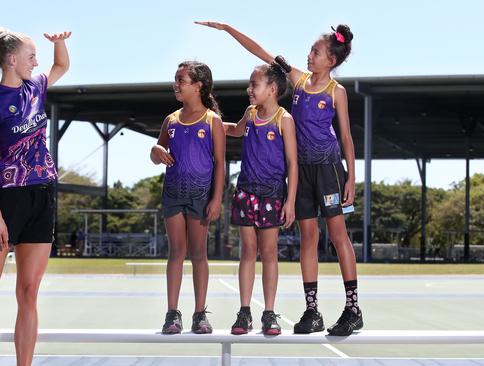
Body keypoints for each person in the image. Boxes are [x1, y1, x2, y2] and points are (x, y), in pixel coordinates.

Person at [196, 21, 362, 336]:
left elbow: (346, 137)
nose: (310, 55)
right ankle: (312, 310)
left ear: (332, 61)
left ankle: (353, 309)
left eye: (316, 52)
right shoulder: (297, 80)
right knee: (308, 239)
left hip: (328, 170)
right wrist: (229, 29)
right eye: (311, 51)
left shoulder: (336, 91)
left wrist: (351, 176)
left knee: (338, 235)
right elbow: (261, 52)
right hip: (301, 172)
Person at [0, 26, 71, 366]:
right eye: (31, 56)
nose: (37, 62)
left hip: (43, 195)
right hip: (7, 200)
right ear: (11, 59)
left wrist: (60, 44)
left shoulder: (36, 87)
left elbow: (61, 66)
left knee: (29, 293)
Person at [150, 61, 225, 334]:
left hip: (200, 196)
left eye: (181, 80)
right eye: (176, 79)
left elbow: (220, 163)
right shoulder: (170, 120)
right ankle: (172, 314)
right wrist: (155, 149)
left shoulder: (212, 121)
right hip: (172, 194)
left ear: (198, 85)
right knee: (176, 254)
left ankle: (200, 313)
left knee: (198, 254)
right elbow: (157, 153)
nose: (176, 84)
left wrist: (217, 198)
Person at [224, 63, 298, 335]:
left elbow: (292, 164)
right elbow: (235, 129)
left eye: (254, 85)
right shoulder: (251, 114)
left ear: (273, 89)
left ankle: (269, 312)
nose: (249, 90)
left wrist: (290, 201)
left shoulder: (284, 119)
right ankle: (244, 312)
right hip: (245, 191)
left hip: (272, 195)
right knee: (247, 252)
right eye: (249, 85)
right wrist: (210, 122)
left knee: (268, 253)